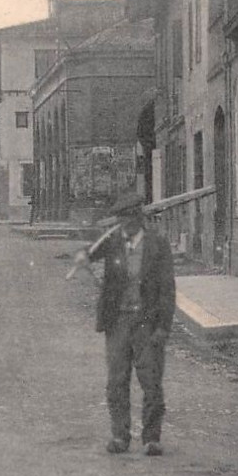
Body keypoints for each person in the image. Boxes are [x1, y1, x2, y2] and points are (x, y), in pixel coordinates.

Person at [72, 192, 175, 457]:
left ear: (138, 218)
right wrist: (82, 256)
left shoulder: (157, 244)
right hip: (117, 322)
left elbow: (167, 289)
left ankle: (151, 438)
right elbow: (89, 252)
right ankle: (120, 436)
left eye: (127, 219)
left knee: (151, 381)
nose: (123, 225)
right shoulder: (113, 241)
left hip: (147, 324)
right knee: (116, 380)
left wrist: (163, 327)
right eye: (120, 220)